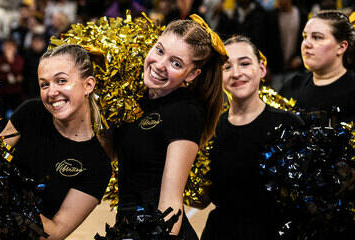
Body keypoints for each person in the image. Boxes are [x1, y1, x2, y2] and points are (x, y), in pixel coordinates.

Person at [114, 16, 226, 238]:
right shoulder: (138, 100)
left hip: (157, 231)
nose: (159, 65)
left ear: (192, 75)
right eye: (159, 50)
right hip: (127, 227)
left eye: (176, 63)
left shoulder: (186, 112)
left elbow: (170, 201)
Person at [0, 44, 112, 240]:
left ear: (88, 85)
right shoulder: (30, 112)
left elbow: (56, 231)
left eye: (61, 81)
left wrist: (5, 199)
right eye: (44, 84)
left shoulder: (97, 164)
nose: (51, 92)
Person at [201, 35, 302, 240]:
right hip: (221, 232)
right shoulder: (210, 129)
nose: (236, 73)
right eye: (227, 67)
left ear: (262, 69)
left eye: (245, 63)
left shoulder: (289, 125)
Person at [280, 10, 355, 125]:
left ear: (341, 47)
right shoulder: (292, 85)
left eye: (317, 37)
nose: (306, 44)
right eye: (305, 37)